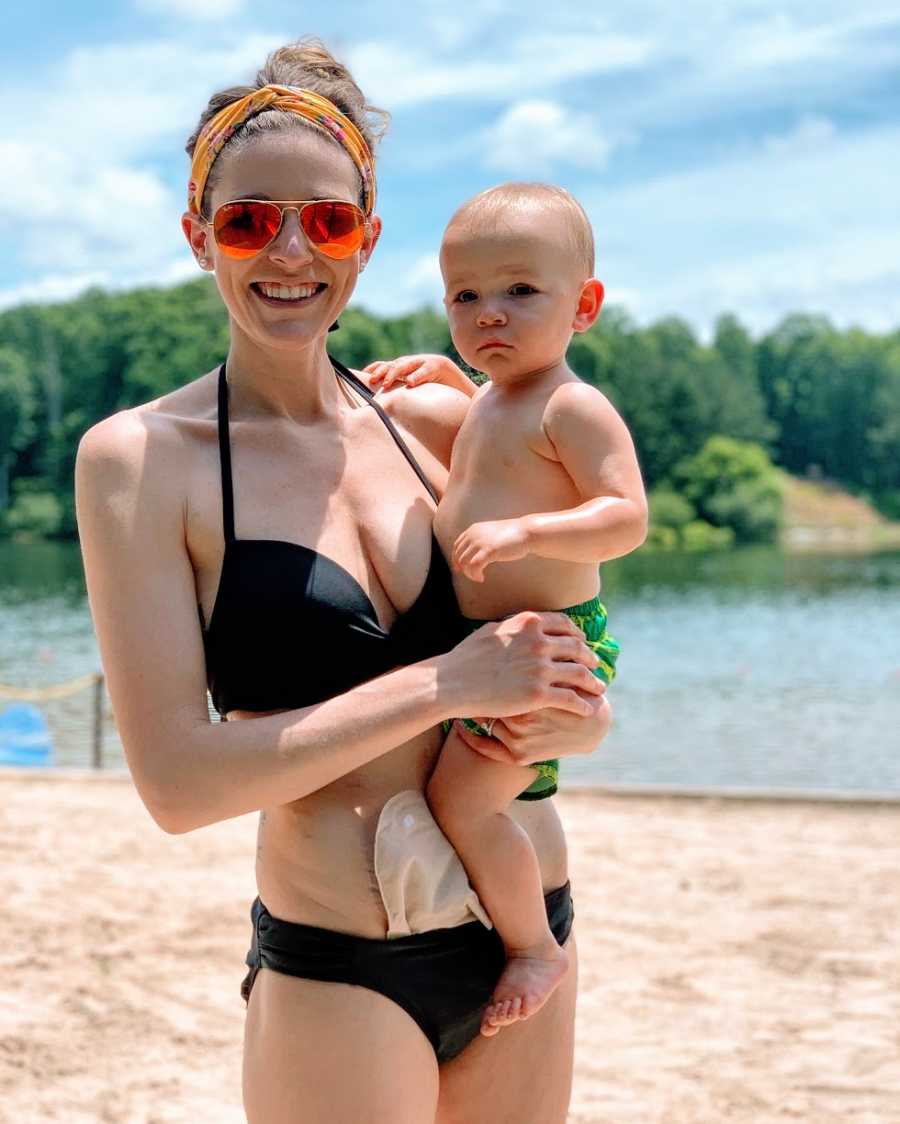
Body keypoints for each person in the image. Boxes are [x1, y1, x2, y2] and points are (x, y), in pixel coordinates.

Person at [75, 40, 613, 1124]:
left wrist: (568, 712)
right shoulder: (144, 460)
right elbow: (178, 784)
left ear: (364, 241)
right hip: (342, 965)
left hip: (526, 934)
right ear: (198, 239)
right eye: (246, 220)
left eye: (324, 220)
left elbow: (572, 667)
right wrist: (447, 685)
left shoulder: (441, 424)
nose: (287, 249)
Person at [369, 183, 647, 1035]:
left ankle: (533, 946)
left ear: (584, 305)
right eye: (466, 296)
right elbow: (488, 441)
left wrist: (530, 530)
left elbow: (627, 515)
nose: (491, 312)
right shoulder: (494, 396)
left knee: (464, 803)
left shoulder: (572, 405)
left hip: (550, 645)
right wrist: (451, 379)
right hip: (498, 647)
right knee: (467, 793)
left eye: (521, 291)